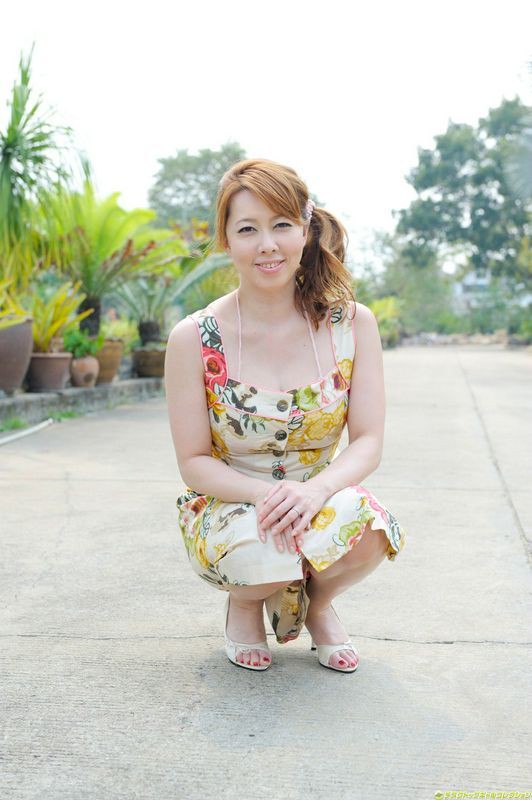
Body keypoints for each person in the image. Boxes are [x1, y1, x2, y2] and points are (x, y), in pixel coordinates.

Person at [164, 158, 407, 674]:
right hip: (232, 504)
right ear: (225, 239)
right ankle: (245, 602)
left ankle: (319, 605)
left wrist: (314, 492)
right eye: (247, 229)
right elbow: (193, 461)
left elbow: (368, 440)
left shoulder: (352, 324)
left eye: (281, 225)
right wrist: (267, 498)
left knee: (368, 526)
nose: (267, 245)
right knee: (262, 551)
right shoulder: (193, 338)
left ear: (305, 228)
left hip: (317, 497)